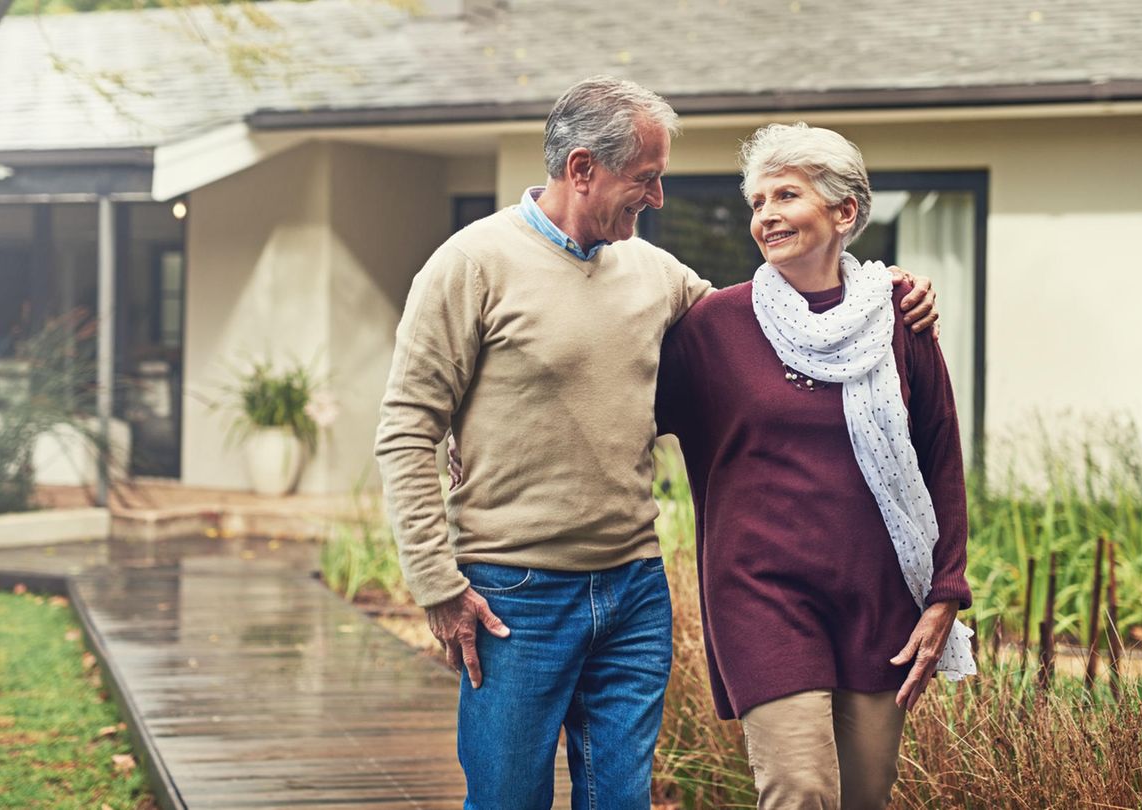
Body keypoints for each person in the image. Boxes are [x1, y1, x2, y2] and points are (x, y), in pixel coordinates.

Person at [375, 77, 938, 809]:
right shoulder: (471, 264)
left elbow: (775, 326)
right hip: (514, 594)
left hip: (633, 589)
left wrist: (879, 293)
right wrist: (437, 586)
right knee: (508, 797)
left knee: (622, 800)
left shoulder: (658, 275)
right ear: (583, 170)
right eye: (646, 178)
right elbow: (406, 429)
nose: (659, 197)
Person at [655, 122, 976, 810]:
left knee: (864, 794)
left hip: (879, 595)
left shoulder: (898, 319)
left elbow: (940, 456)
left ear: (844, 212)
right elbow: (618, 408)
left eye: (785, 195)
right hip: (760, 595)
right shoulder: (715, 328)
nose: (765, 215)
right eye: (758, 202)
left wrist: (945, 591)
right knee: (799, 790)